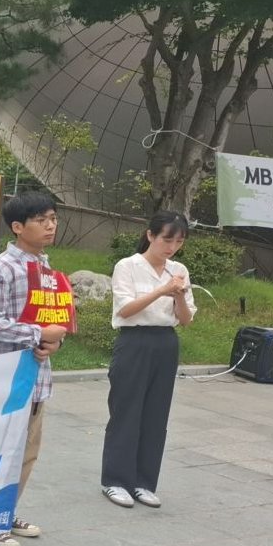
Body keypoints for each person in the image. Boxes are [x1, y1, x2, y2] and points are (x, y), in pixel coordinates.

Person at [0, 191, 68, 546]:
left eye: (53, 218)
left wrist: (53, 342)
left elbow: (53, 320)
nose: (50, 225)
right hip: (6, 381)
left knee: (25, 454)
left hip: (36, 379)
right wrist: (39, 334)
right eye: (41, 220)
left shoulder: (46, 269)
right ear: (17, 227)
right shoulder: (1, 269)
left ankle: (5, 512)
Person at [100, 211, 196, 509]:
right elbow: (125, 310)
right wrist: (162, 290)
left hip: (166, 342)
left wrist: (178, 295)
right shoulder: (127, 266)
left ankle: (143, 482)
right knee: (126, 410)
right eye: (167, 239)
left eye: (179, 242)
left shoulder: (179, 270)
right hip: (134, 340)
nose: (172, 247)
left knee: (156, 413)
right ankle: (115, 480)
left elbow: (186, 319)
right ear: (151, 235)